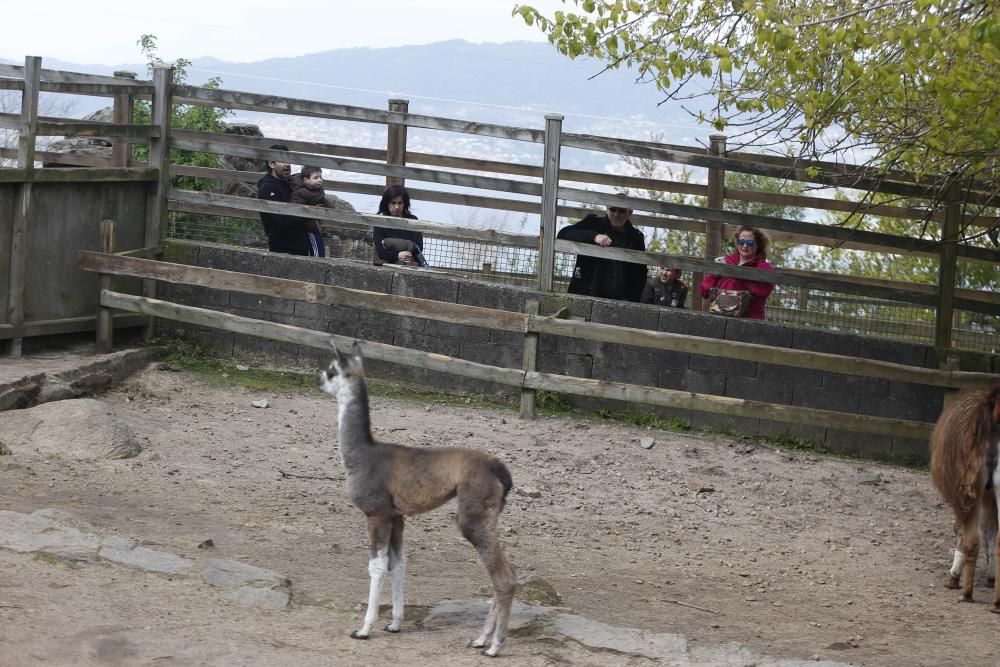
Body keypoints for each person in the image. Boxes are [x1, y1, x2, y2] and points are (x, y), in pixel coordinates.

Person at [556, 205, 646, 302]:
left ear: (629, 213)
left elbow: (640, 272)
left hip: (621, 301)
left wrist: (632, 299)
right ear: (607, 209)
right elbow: (563, 234)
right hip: (586, 296)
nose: (616, 214)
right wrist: (594, 236)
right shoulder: (593, 223)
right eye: (613, 209)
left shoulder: (636, 236)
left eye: (622, 211)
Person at [700, 225, 775, 320]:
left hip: (749, 321)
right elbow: (704, 290)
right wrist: (714, 278)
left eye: (750, 243)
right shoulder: (724, 261)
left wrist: (734, 277)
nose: (745, 246)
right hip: (719, 318)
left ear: (758, 244)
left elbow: (762, 291)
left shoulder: (764, 268)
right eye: (741, 242)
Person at [256, 144, 312, 256]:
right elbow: (278, 222)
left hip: (300, 246)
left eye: (289, 161)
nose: (288, 165)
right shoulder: (267, 188)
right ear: (271, 163)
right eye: (283, 161)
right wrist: (307, 216)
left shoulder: (289, 184)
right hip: (283, 249)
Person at [373, 185, 428, 267]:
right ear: (387, 203)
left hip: (410, 263)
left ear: (404, 204)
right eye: (393, 203)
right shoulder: (379, 221)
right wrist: (398, 255)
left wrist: (407, 256)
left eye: (400, 203)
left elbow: (419, 247)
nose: (396, 207)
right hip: (387, 264)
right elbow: (381, 252)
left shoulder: (413, 220)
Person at [288, 165, 329, 257]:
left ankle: (319, 262)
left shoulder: (318, 191)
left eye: (321, 177)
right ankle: (316, 264)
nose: (320, 180)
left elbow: (325, 202)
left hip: (316, 226)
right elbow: (297, 208)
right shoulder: (300, 193)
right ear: (306, 180)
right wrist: (313, 212)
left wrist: (332, 211)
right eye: (316, 178)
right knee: (316, 250)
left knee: (320, 248)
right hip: (308, 227)